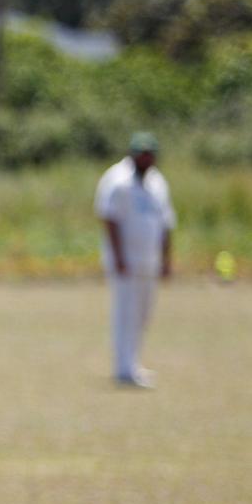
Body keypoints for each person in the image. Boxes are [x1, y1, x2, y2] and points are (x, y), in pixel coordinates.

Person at [95, 131, 176, 388]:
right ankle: (123, 369)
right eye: (141, 154)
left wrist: (166, 259)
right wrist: (118, 257)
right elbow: (109, 219)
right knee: (125, 315)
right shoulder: (117, 180)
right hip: (126, 261)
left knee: (143, 314)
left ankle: (134, 363)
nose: (146, 158)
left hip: (149, 260)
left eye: (149, 154)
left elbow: (166, 223)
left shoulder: (157, 182)